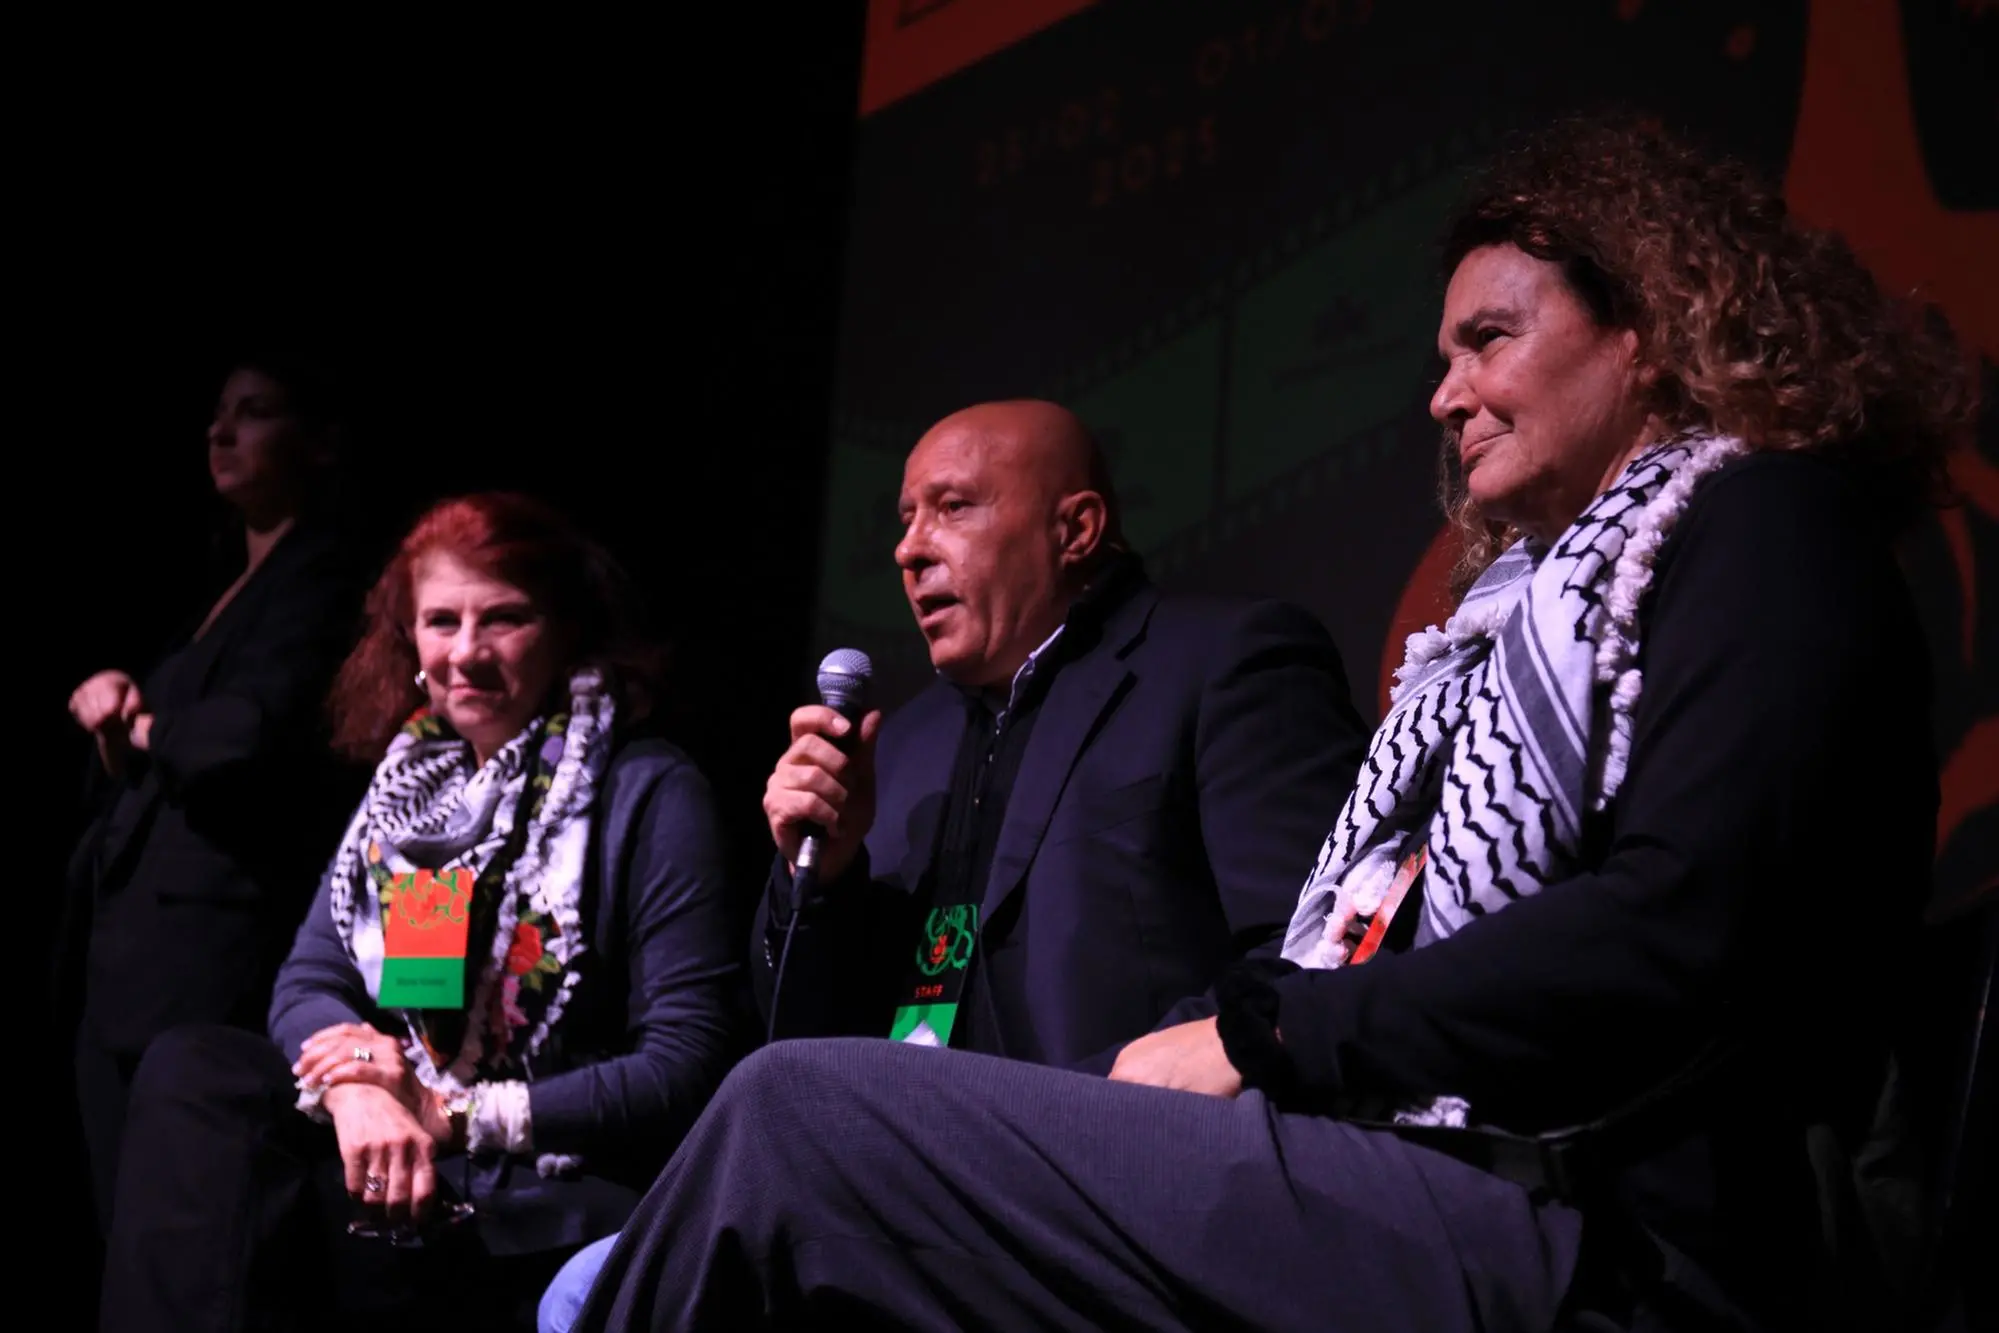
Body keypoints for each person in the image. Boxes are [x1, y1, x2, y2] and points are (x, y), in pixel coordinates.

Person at [573, 116, 1970, 1332]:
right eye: (1438, 353)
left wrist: (1268, 1037)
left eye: (1488, 336)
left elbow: (1679, 928)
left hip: (1614, 1231)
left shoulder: (1764, 524)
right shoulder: (1503, 627)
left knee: (787, 1121)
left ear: (1647, 330)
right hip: (1433, 1175)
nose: (1440, 392)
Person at [536, 400, 1370, 1329]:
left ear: (1076, 530)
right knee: (592, 1284)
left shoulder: (1224, 661)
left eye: (953, 508)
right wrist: (827, 873)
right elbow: (802, 1040)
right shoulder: (907, 739)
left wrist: (1128, 1086)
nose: (910, 549)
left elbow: (1315, 948)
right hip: (910, 1181)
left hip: (1118, 1172)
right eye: (903, 520)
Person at [99, 493, 745, 1331]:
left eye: (503, 618)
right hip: (396, 1150)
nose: (466, 652)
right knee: (196, 1070)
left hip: (538, 1184)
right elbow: (311, 977)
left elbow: (684, 1061)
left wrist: (449, 1113)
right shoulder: (421, 791)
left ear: (566, 630)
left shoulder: (647, 789)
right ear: (411, 641)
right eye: (441, 621)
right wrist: (355, 1086)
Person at [62, 351, 370, 1237]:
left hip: (206, 960)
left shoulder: (329, 576)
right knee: (118, 1218)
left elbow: (252, 739)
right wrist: (119, 716)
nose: (220, 431)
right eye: (218, 412)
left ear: (317, 443)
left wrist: (146, 724)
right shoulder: (221, 581)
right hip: (130, 953)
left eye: (255, 411)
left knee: (170, 1224)